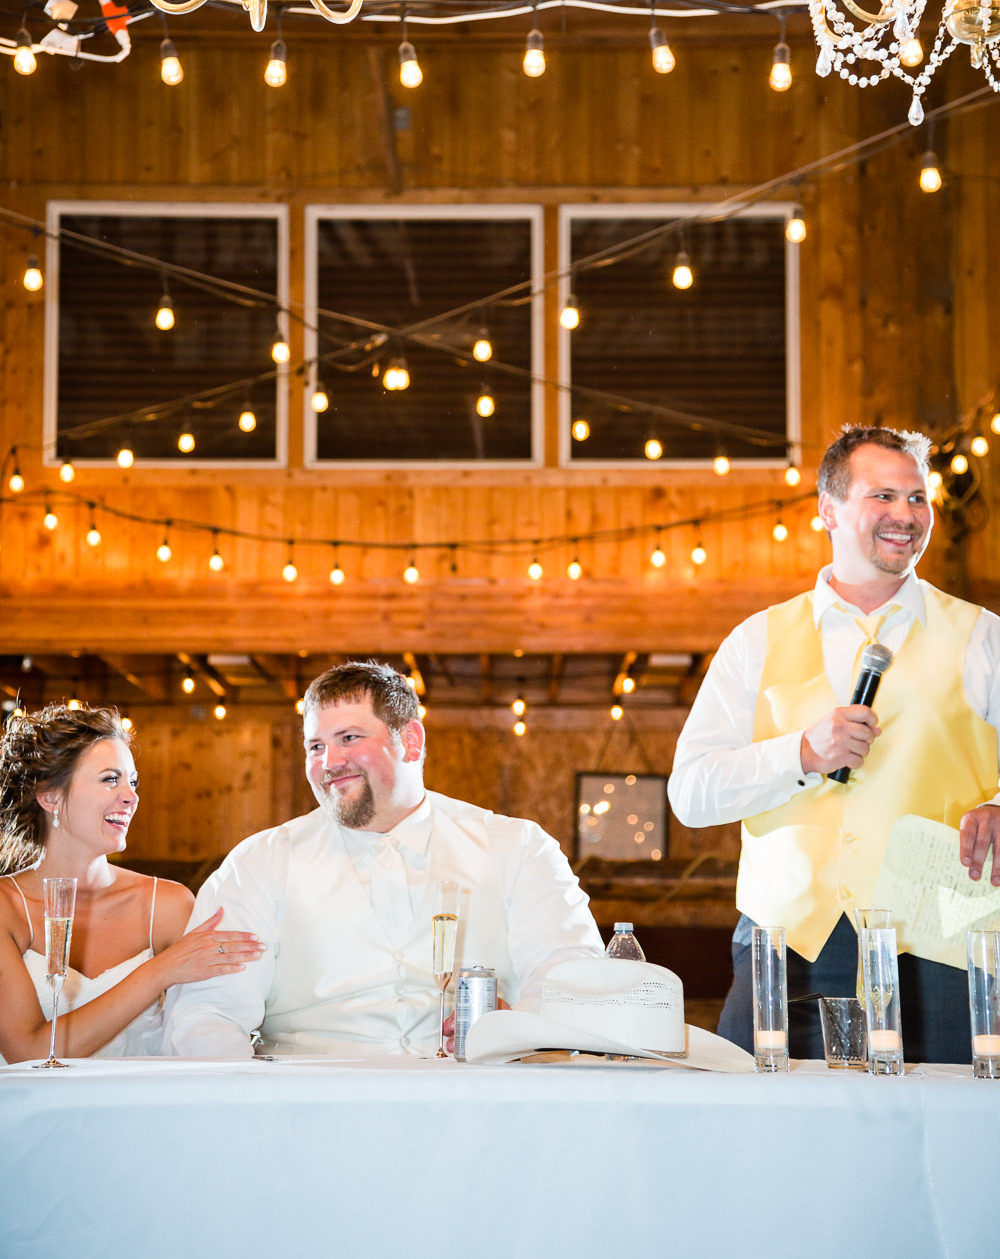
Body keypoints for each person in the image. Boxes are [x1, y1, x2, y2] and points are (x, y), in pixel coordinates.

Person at [668, 424, 1000, 1062]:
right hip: (791, 951)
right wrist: (799, 756)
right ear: (828, 508)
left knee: (953, 1145)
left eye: (917, 499)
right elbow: (690, 792)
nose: (906, 515)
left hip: (942, 947)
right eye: (883, 496)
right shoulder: (756, 640)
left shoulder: (981, 636)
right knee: (775, 1146)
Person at [163, 660, 604, 1058]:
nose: (329, 762)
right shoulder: (258, 864)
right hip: (307, 1111)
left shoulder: (519, 848)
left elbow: (569, 973)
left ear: (410, 741)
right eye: (314, 747)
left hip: (478, 1103)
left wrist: (516, 1030)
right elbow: (207, 1014)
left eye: (349, 738)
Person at [0, 703, 265, 1064]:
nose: (131, 796)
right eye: (111, 779)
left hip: (143, 1111)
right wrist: (159, 971)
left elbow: (214, 1017)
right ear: (50, 797)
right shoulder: (7, 908)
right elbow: (27, 1053)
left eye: (133, 781)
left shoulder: (168, 905)